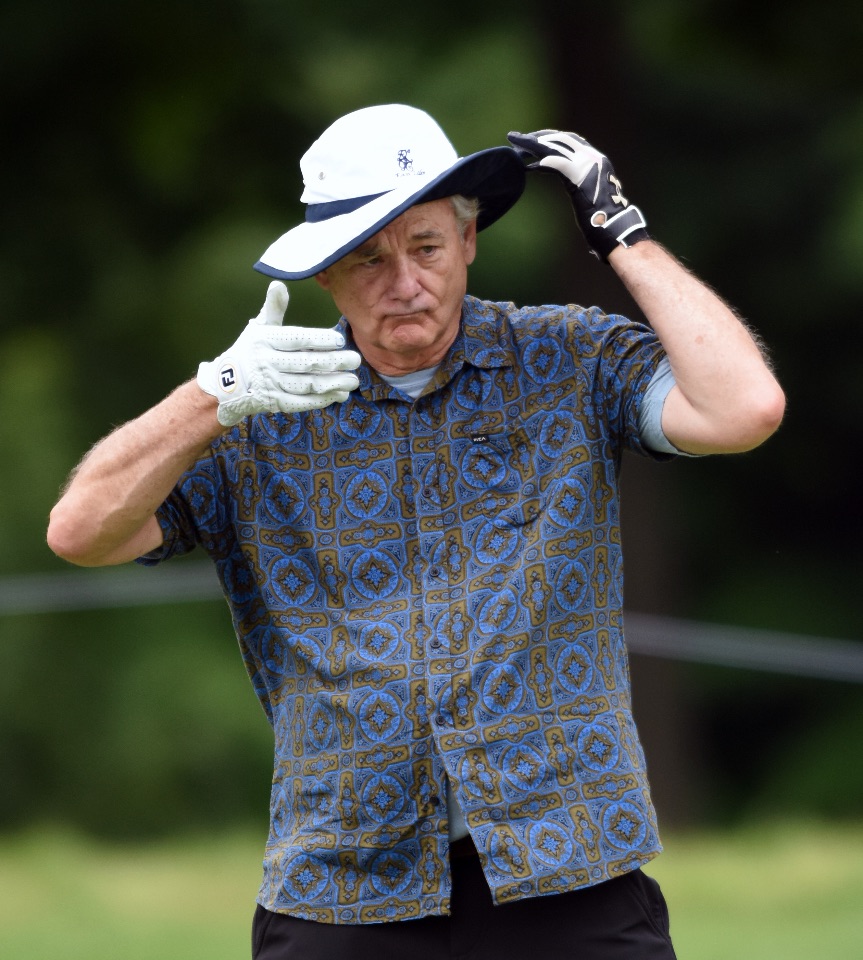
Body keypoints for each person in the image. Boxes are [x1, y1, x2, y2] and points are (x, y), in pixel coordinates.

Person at [47, 104, 785, 959]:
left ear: (468, 241)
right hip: (344, 879)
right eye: (367, 256)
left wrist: (624, 238)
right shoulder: (256, 410)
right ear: (326, 272)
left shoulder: (568, 359)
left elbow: (745, 409)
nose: (403, 280)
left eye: (425, 247)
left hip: (571, 860)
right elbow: (82, 533)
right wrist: (210, 397)